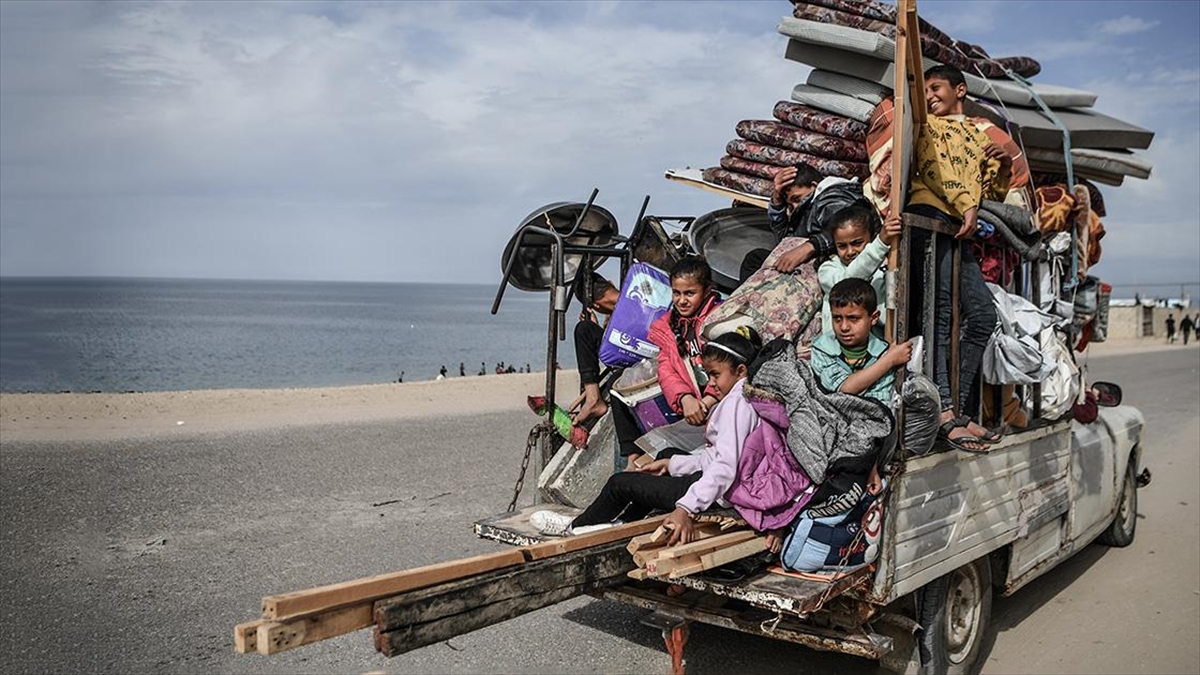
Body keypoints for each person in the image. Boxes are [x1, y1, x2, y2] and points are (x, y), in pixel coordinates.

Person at [530, 329, 763, 545]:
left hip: (720, 494)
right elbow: (717, 457)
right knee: (666, 455)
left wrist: (685, 508)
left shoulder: (736, 405)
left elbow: (724, 467)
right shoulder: (742, 397)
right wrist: (672, 464)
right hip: (721, 484)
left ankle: (575, 528)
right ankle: (624, 522)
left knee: (619, 484)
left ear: (741, 371)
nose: (711, 383)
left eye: (715, 375)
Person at [906, 64, 1009, 452]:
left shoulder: (975, 135)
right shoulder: (928, 127)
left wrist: (1002, 165)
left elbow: (991, 195)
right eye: (926, 89)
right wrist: (967, 205)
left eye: (936, 88)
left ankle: (958, 410)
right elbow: (934, 170)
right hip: (931, 220)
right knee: (939, 316)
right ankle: (944, 413)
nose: (930, 96)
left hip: (956, 228)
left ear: (960, 90)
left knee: (982, 315)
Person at [738, 163, 875, 284]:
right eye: (790, 204)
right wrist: (777, 201)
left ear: (814, 186)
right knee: (755, 259)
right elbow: (785, 240)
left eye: (797, 199)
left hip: (830, 265)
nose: (795, 206)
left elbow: (846, 227)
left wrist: (808, 247)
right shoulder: (806, 211)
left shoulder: (830, 198)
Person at [817, 205, 900, 334]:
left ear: (871, 237)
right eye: (842, 246)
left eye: (857, 243)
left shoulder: (884, 268)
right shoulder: (828, 269)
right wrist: (880, 245)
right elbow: (847, 284)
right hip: (836, 344)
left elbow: (886, 317)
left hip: (874, 343)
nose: (850, 251)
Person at [571, 273, 621, 424]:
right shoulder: (634, 295)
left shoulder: (616, 315)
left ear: (596, 306)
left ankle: (593, 399)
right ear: (610, 284)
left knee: (584, 330)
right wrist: (597, 329)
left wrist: (590, 329)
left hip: (631, 360)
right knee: (589, 329)